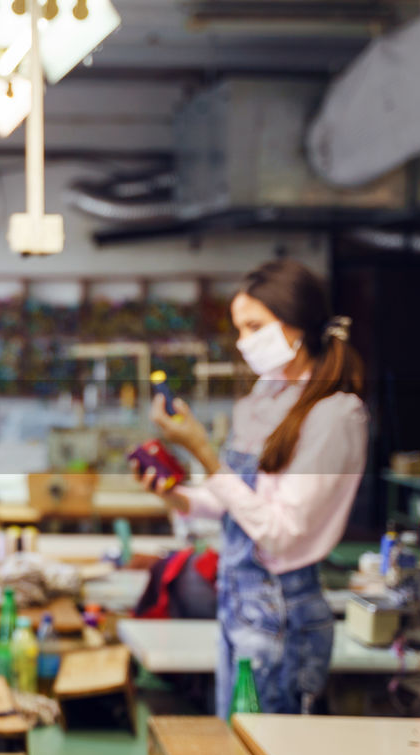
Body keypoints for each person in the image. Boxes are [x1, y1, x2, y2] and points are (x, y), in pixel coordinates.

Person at [133, 259, 367, 716]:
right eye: (239, 329)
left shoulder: (335, 416)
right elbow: (238, 503)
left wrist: (204, 452)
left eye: (254, 326)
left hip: (280, 608)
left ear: (296, 326)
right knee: (234, 752)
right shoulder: (265, 398)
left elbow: (280, 532)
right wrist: (175, 496)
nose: (244, 342)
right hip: (238, 598)